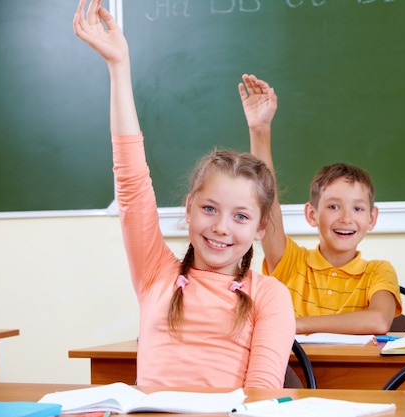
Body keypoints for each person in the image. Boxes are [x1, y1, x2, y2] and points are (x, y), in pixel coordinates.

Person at [73, 0, 295, 388]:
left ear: (262, 227)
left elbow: (260, 397)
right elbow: (131, 182)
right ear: (189, 209)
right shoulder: (156, 273)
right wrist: (119, 68)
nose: (221, 227)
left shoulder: (270, 296)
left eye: (241, 216)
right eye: (209, 208)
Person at [239, 74, 402, 335]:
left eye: (358, 208)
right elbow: (267, 202)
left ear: (372, 219)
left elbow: (379, 321)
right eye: (333, 207)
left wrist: (298, 325)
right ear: (311, 214)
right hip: (290, 375)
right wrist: (260, 130)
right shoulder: (290, 261)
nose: (346, 218)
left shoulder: (378, 271)